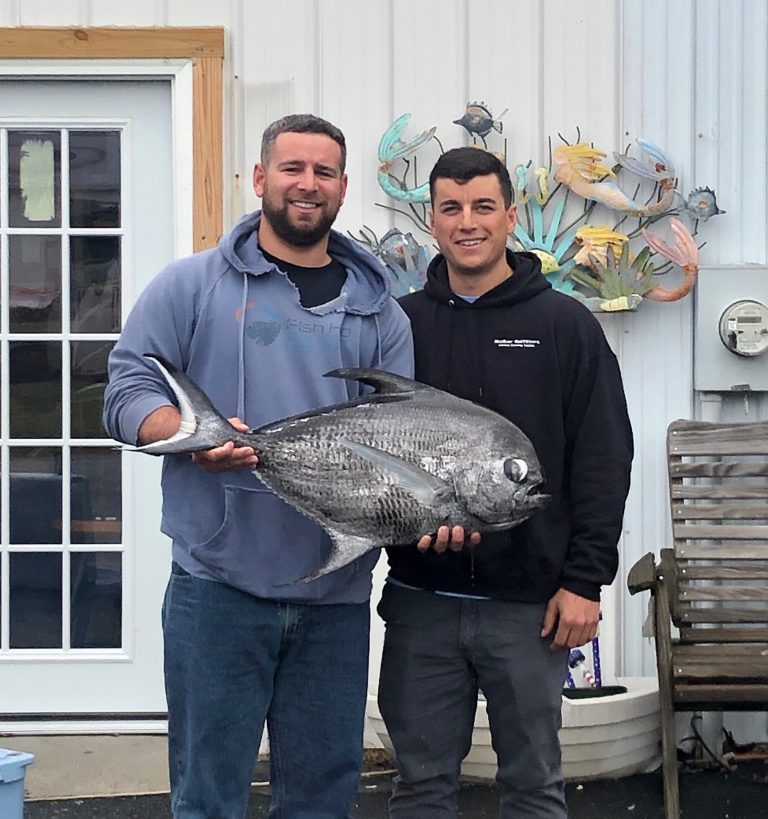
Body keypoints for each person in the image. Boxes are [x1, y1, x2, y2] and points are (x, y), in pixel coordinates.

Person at [103, 114, 415, 819]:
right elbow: (125, 392)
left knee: (320, 802)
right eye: (293, 168)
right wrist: (187, 434)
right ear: (260, 178)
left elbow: (392, 443)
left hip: (335, 602)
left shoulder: (381, 315)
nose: (308, 184)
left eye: (324, 172)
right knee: (208, 798)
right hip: (216, 591)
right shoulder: (191, 287)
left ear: (342, 188)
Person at [377, 147, 634, 818]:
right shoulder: (398, 325)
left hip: (532, 606)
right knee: (420, 786)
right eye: (452, 208)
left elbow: (604, 458)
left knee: (532, 786)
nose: (469, 222)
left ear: (511, 216)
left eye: (484, 206)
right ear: (431, 219)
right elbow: (373, 451)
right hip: (419, 598)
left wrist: (584, 580)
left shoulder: (565, 326)